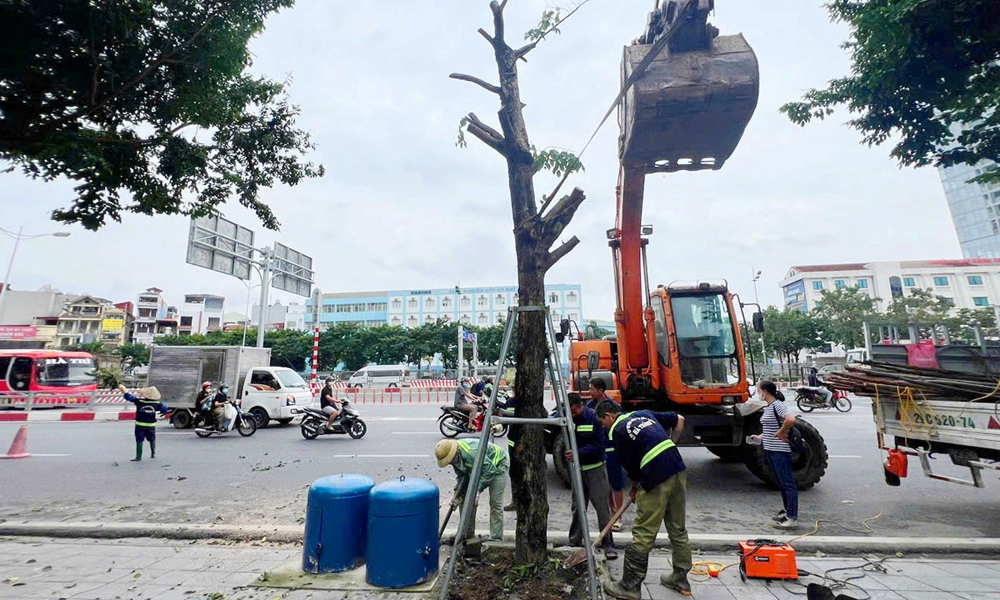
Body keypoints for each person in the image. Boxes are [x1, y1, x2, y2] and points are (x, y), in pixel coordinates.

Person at [596, 400, 691, 599]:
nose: (603, 427)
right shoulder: (643, 413)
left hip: (655, 474)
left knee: (643, 531)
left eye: (602, 422)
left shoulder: (616, 431)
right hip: (676, 466)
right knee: (678, 528)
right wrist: (671, 444)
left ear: (608, 416)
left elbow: (630, 466)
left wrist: (637, 485)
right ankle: (680, 578)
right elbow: (679, 419)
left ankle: (629, 586)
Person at [567, 393, 617, 559]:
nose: (572, 415)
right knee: (578, 507)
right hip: (578, 470)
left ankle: (608, 543)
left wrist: (577, 453)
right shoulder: (568, 419)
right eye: (570, 412)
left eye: (574, 411)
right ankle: (575, 541)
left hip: (595, 469)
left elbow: (600, 445)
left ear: (580, 405)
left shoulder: (593, 418)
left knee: (602, 507)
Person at [435, 438, 509, 541]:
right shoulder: (454, 458)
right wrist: (457, 494)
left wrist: (477, 490)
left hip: (498, 465)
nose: (450, 462)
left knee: (495, 503)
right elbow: (462, 475)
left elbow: (489, 471)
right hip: (478, 467)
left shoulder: (471, 453)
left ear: (455, 452)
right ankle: (466, 533)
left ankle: (496, 538)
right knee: (465, 500)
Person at [752, 380, 799, 530]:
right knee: (781, 482)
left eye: (759, 390)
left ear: (765, 391)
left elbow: (790, 419)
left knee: (787, 483)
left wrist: (781, 432)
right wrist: (761, 436)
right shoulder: (770, 407)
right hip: (771, 449)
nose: (758, 393)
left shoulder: (777, 405)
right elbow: (771, 428)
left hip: (780, 450)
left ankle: (792, 517)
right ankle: (787, 511)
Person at [588, 378, 627, 532]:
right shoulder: (589, 407)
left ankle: (618, 516)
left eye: (591, 388)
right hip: (600, 451)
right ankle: (612, 513)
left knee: (617, 484)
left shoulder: (614, 406)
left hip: (613, 451)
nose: (589, 391)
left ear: (600, 390)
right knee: (605, 486)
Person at [118, 385, 168, 461]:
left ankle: (138, 457)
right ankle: (153, 453)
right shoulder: (157, 403)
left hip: (140, 425)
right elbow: (165, 409)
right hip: (151, 425)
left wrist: (124, 390)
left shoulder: (140, 401)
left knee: (139, 440)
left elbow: (129, 397)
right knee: (152, 439)